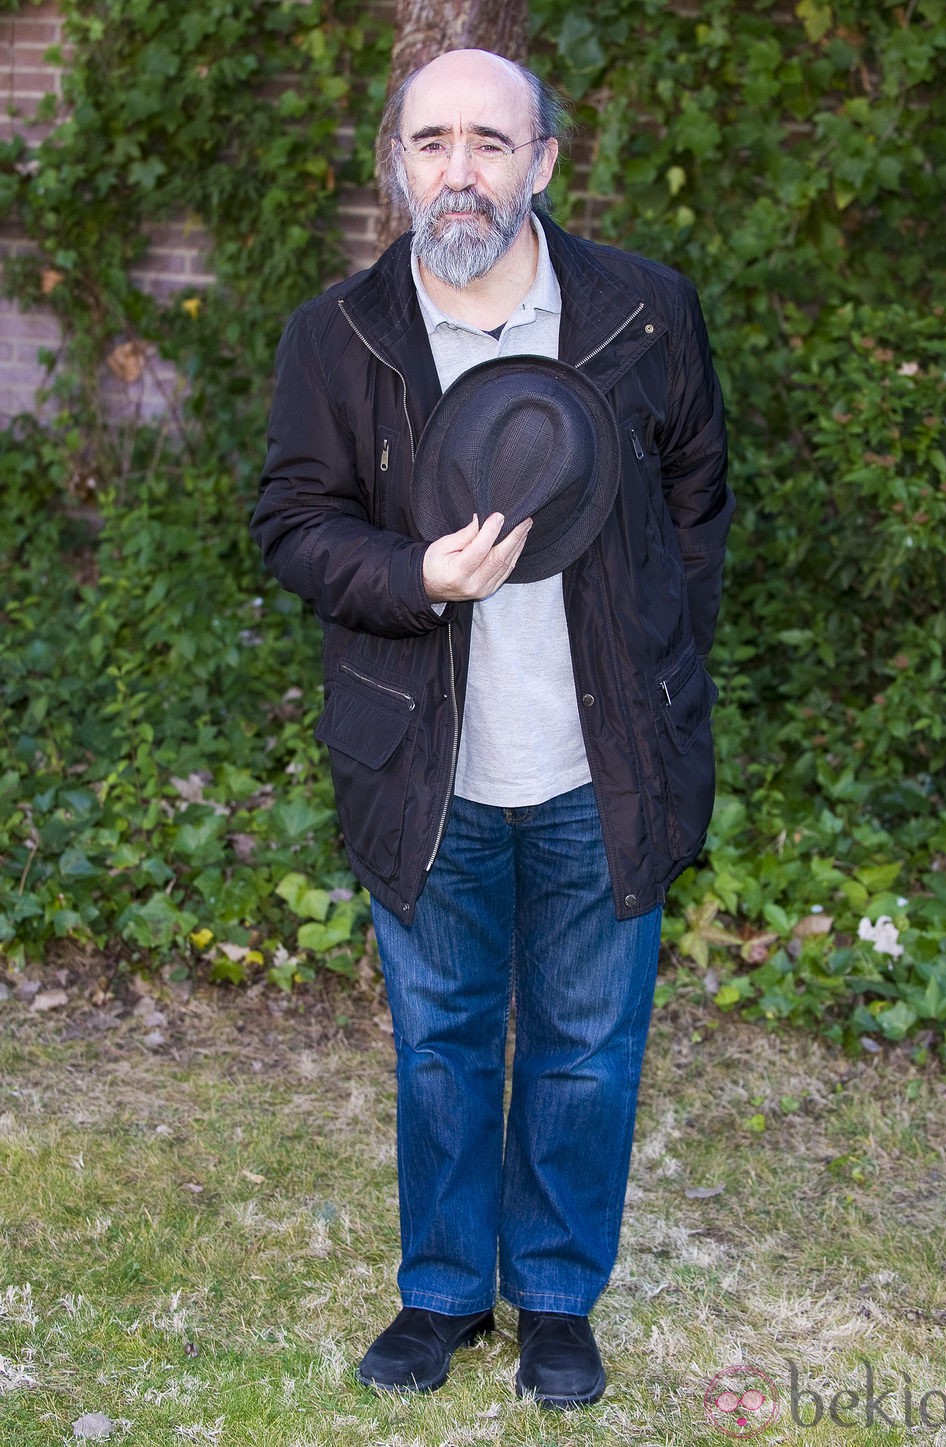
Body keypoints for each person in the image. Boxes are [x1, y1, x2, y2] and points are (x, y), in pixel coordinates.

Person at [251, 48, 733, 1409]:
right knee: (443, 1037)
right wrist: (414, 580)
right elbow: (291, 522)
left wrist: (660, 651)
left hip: (605, 760)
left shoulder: (643, 311)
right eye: (431, 141)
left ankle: (559, 1298)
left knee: (587, 1046)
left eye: (491, 141)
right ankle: (446, 1292)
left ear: (546, 161)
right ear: (396, 161)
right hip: (425, 761)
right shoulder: (337, 337)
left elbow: (698, 492)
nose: (459, 169)